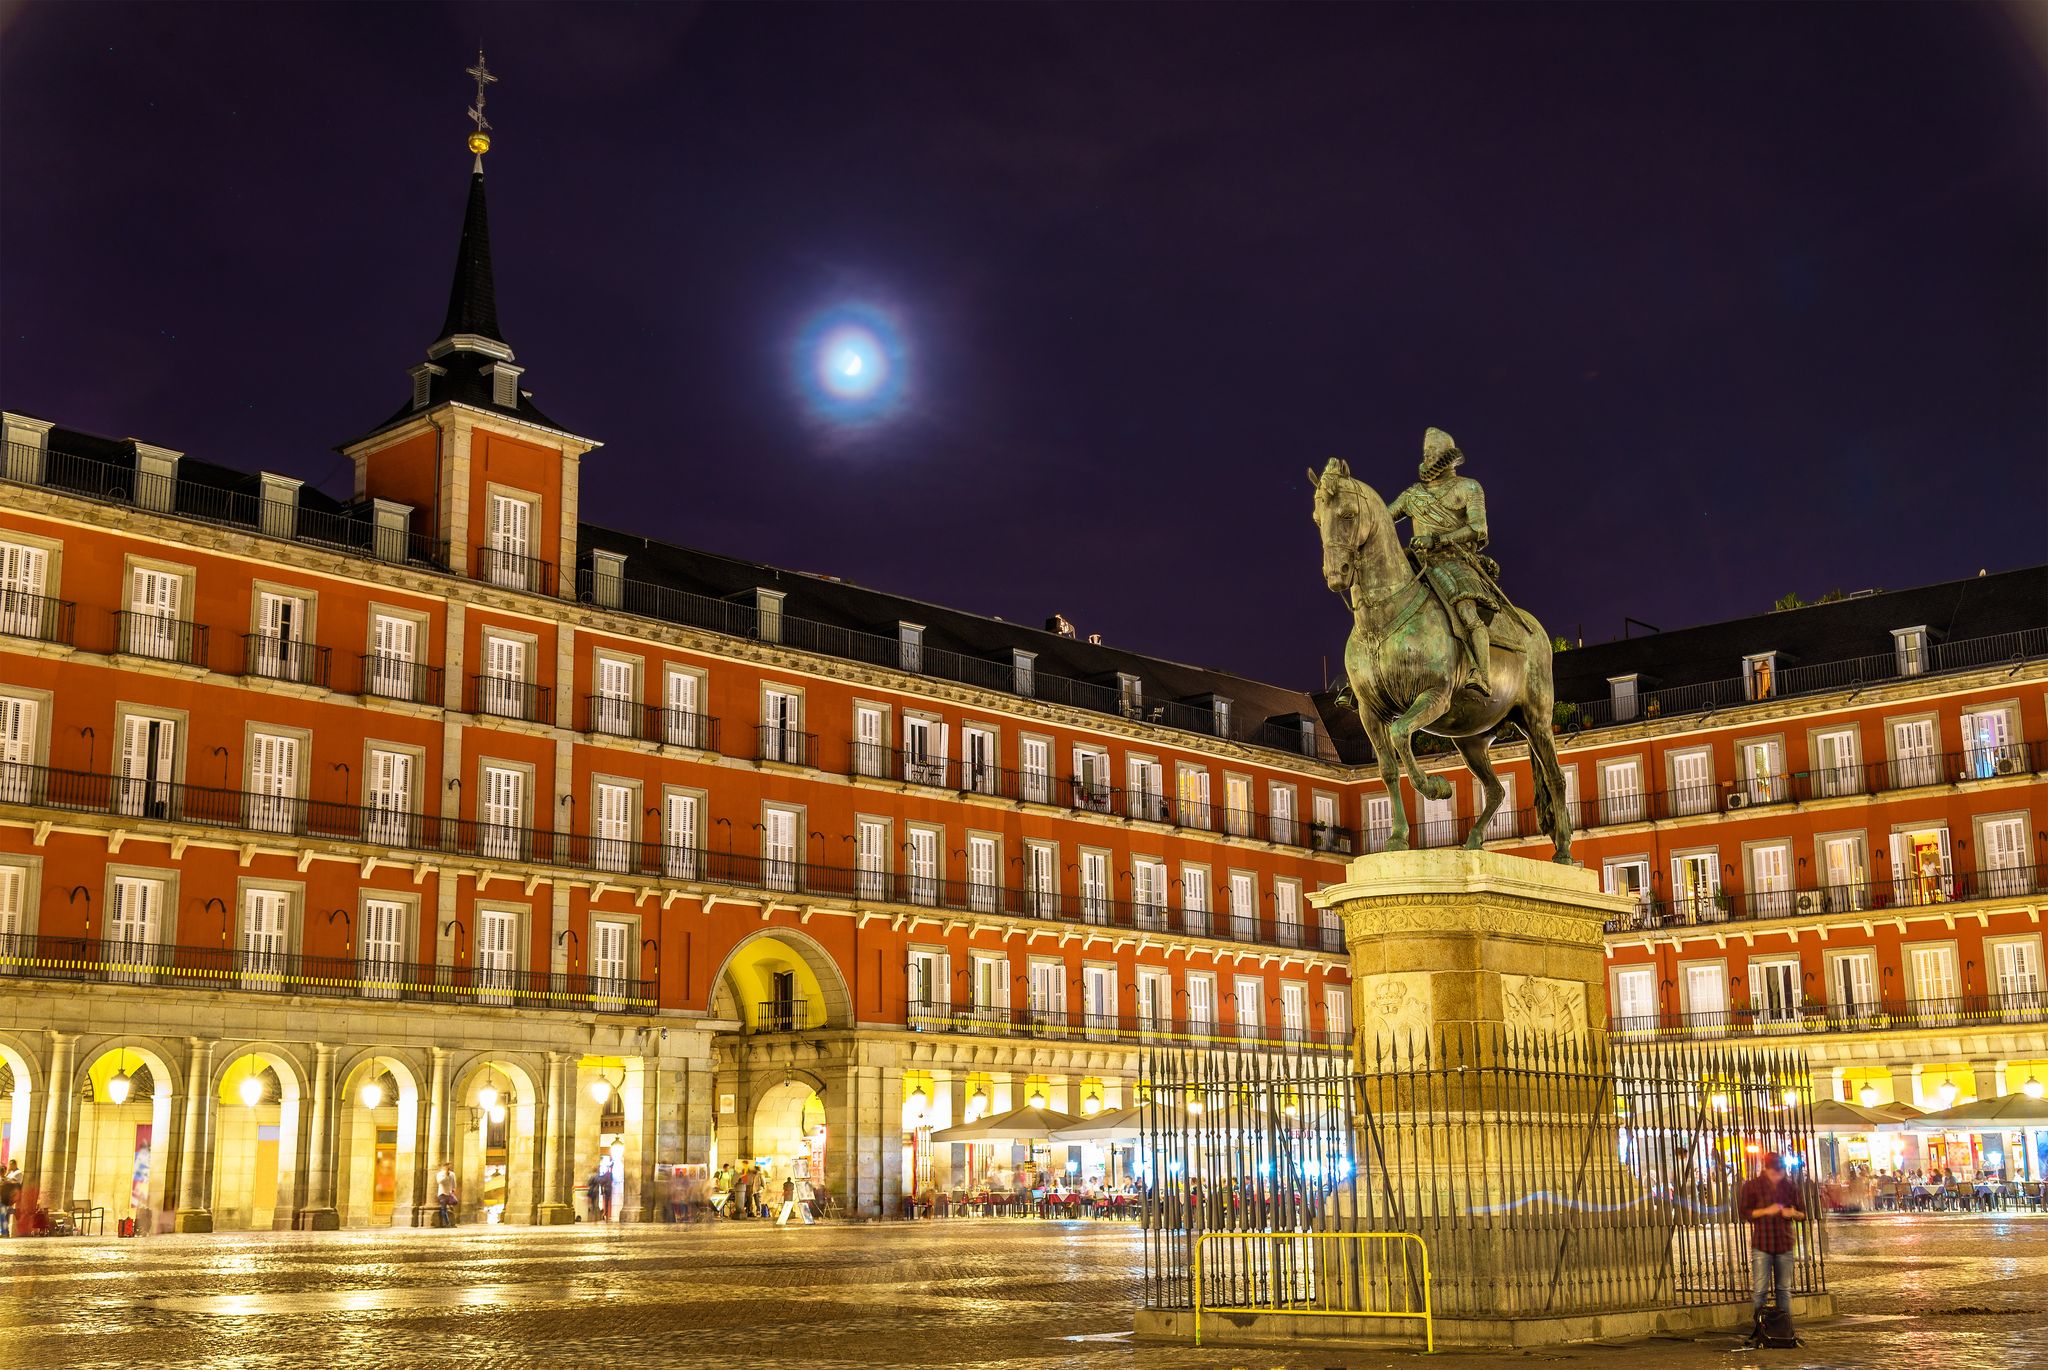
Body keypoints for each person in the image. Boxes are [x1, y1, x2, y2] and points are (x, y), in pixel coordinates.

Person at [1385, 428, 1506, 697]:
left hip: (1455, 559)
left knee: (1466, 610)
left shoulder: (1469, 487)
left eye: (1432, 453)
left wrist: (1437, 541)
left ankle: (1482, 674)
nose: (1427, 457)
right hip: (1418, 561)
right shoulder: (1412, 495)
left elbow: (1478, 529)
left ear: (1447, 456)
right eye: (1425, 453)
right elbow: (1382, 518)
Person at [1739, 1151, 1806, 1341]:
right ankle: (1761, 1328)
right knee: (1760, 1289)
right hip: (1763, 1243)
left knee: (1784, 1289)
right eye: (1775, 1172)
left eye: (1781, 1172)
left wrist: (1793, 1213)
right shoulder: (1752, 1186)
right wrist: (1766, 1211)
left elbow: (1803, 1214)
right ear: (1766, 1169)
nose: (1779, 1175)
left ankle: (1785, 1329)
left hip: (1784, 1243)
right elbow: (1745, 1212)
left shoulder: (1789, 1187)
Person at [0, 1160, 21, 1237]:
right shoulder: (7, 1179)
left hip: (3, 1201)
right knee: (4, 1217)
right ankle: (5, 1232)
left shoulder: (5, 1180)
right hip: (4, 1201)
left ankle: (4, 1232)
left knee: (3, 1217)